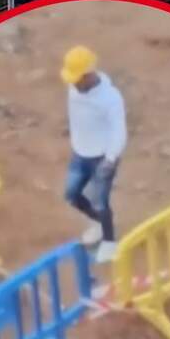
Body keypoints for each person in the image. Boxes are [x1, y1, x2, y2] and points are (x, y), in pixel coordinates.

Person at [59, 45, 127, 264]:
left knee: (100, 201)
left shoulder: (110, 98)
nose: (73, 83)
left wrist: (111, 159)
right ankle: (100, 223)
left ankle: (109, 242)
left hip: (102, 158)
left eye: (77, 78)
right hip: (80, 154)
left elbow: (119, 130)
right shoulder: (74, 90)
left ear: (89, 76)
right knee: (71, 194)